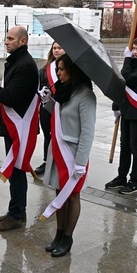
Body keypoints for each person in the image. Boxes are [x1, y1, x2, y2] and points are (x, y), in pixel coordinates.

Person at [0, 26, 38, 232]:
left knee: (17, 170)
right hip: (13, 125)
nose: (6, 42)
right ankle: (18, 210)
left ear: (23, 41)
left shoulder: (25, 64)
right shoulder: (17, 60)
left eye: (11, 39)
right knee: (16, 171)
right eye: (6, 38)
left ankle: (15, 215)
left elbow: (11, 97)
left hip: (19, 126)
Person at [41, 54, 96, 257]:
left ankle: (68, 238)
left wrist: (80, 163)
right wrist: (47, 101)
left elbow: (88, 132)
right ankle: (58, 233)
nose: (58, 73)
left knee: (71, 196)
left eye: (62, 69)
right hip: (58, 152)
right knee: (59, 192)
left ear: (74, 71)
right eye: (58, 69)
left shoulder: (85, 95)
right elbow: (60, 116)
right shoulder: (64, 91)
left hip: (73, 155)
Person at [105, 34, 137, 195]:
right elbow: (121, 85)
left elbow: (127, 79)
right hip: (126, 108)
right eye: (133, 48)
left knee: (135, 146)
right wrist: (116, 106)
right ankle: (121, 176)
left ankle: (134, 181)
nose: (134, 52)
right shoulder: (132, 62)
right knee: (124, 145)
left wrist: (127, 60)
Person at [34, 42, 65, 175]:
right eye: (54, 48)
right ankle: (47, 162)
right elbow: (38, 86)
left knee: (59, 136)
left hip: (62, 107)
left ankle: (59, 162)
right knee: (48, 135)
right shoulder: (45, 69)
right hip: (47, 107)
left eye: (59, 48)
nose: (56, 51)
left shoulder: (70, 69)